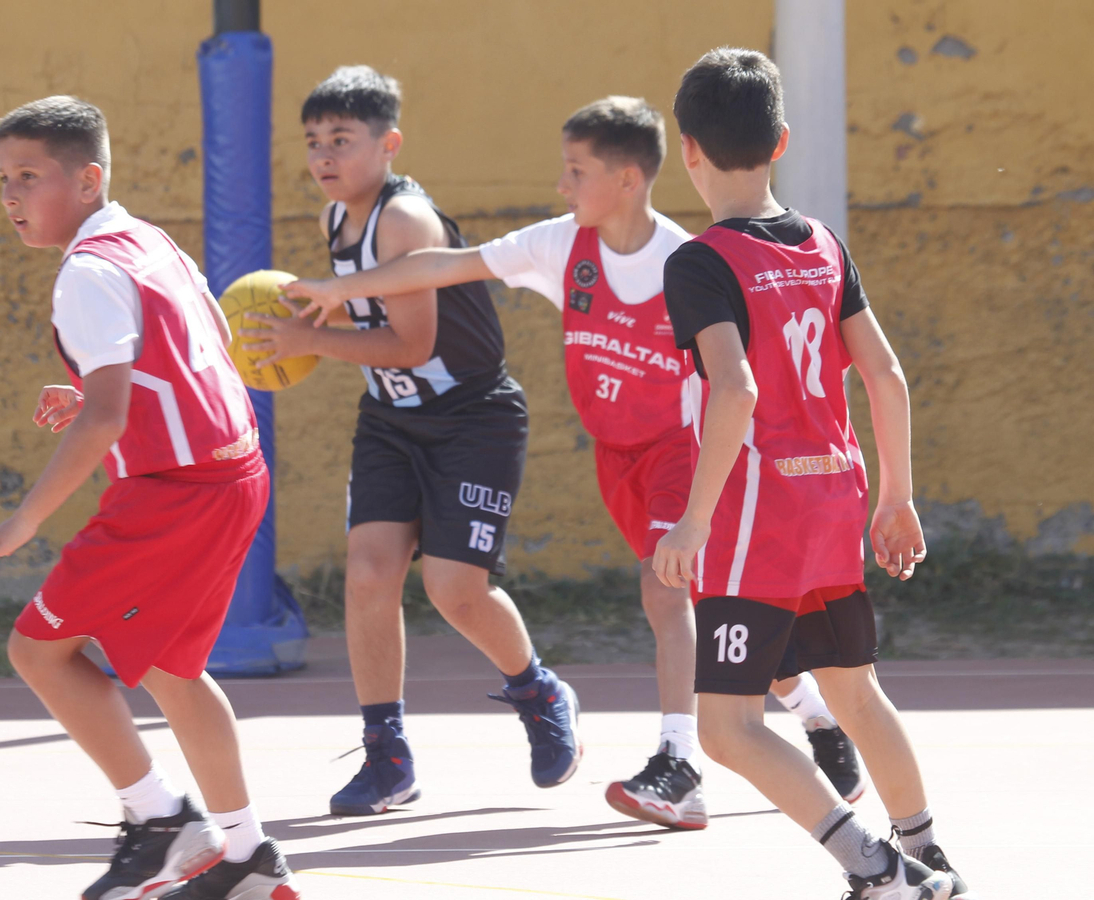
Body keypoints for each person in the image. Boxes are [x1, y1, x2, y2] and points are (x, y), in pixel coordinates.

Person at [284, 96, 866, 829]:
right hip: (619, 457)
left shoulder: (685, 264)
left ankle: (678, 763)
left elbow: (744, 374)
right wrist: (340, 288)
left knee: (667, 592)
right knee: (706, 605)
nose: (561, 185)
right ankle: (818, 720)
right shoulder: (564, 244)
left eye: (575, 171)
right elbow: (450, 263)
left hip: (682, 452)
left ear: (628, 179)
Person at [0, 96, 300, 900]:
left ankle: (160, 820)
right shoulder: (145, 238)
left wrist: (23, 521)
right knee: (175, 669)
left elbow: (109, 414)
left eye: (29, 177)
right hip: (234, 473)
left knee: (38, 649)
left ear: (88, 179)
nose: (10, 195)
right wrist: (105, 402)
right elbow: (199, 340)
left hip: (175, 494)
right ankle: (248, 856)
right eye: (4, 178)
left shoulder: (86, 272)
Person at [653, 47, 973, 899]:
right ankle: (929, 854)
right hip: (838, 492)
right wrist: (898, 497)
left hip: (761, 509)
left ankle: (876, 867)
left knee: (724, 726)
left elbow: (736, 387)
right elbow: (887, 375)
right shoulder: (824, 245)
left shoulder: (699, 263)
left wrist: (692, 521)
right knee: (857, 694)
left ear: (688, 149)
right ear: (782, 142)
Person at [243, 66, 579, 817]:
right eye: (313, 142)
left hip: (472, 418)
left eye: (343, 140)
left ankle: (538, 691)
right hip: (391, 422)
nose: (325, 155)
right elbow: (369, 324)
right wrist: (305, 333)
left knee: (454, 590)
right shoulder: (338, 219)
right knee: (368, 575)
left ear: (388, 144)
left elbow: (414, 343)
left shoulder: (405, 222)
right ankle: (386, 757)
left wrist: (309, 340)